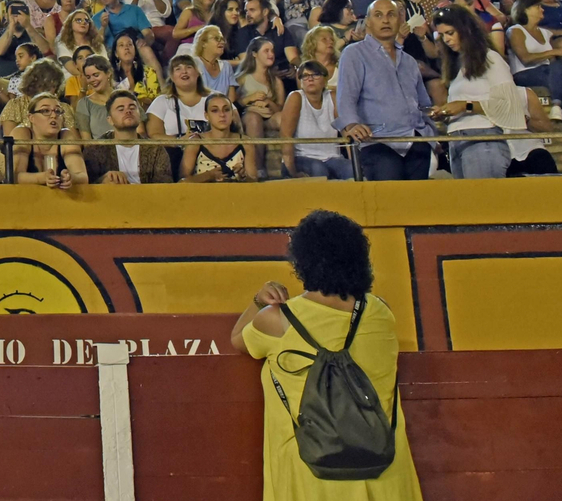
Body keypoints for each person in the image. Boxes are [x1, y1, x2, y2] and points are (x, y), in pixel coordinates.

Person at [230, 210, 420, 500]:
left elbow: (237, 339)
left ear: (302, 262)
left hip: (309, 479)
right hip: (383, 477)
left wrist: (258, 301)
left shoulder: (278, 319)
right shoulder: (381, 313)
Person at [334, 0, 436, 181]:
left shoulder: (409, 61)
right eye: (378, 15)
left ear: (400, 20)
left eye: (391, 15)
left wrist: (432, 135)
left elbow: (423, 104)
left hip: (417, 141)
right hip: (377, 141)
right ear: (368, 22)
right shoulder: (354, 54)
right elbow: (346, 97)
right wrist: (352, 124)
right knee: (388, 202)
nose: (386, 20)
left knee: (418, 204)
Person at [430, 6, 517, 179]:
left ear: (466, 29)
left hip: (482, 140)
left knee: (483, 203)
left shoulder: (490, 58)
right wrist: (446, 113)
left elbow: (509, 105)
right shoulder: (457, 67)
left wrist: (465, 106)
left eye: (450, 32)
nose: (446, 39)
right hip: (457, 141)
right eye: (442, 35)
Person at [506, 0, 562, 122]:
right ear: (525, 10)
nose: (542, 9)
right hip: (524, 73)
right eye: (538, 7)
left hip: (547, 71)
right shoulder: (516, 30)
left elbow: (554, 63)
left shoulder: (546, 33)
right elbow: (525, 59)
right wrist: (556, 52)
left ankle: (559, 111)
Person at [280, 60, 351, 180]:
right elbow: (286, 137)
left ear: (325, 79)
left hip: (332, 157)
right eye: (305, 76)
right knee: (319, 170)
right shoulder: (296, 97)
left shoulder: (332, 97)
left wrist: (353, 161)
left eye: (315, 75)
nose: (310, 79)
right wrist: (292, 172)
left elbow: (345, 132)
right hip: (302, 157)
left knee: (351, 170)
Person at [82, 90, 173, 184]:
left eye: (132, 108)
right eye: (121, 109)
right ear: (110, 120)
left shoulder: (156, 149)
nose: (128, 111)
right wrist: (103, 181)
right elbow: (87, 186)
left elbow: (164, 184)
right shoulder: (95, 149)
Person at [9, 93, 88, 189]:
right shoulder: (21, 133)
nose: (54, 115)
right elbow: (15, 177)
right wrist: (43, 178)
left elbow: (83, 177)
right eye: (45, 111)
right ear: (31, 117)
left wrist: (71, 178)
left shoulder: (66, 136)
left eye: (58, 111)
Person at [180, 93, 259, 182]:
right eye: (215, 110)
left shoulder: (245, 143)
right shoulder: (196, 143)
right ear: (207, 116)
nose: (222, 114)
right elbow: (182, 182)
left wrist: (244, 177)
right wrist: (208, 175)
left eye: (226, 110)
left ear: (232, 114)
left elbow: (254, 182)